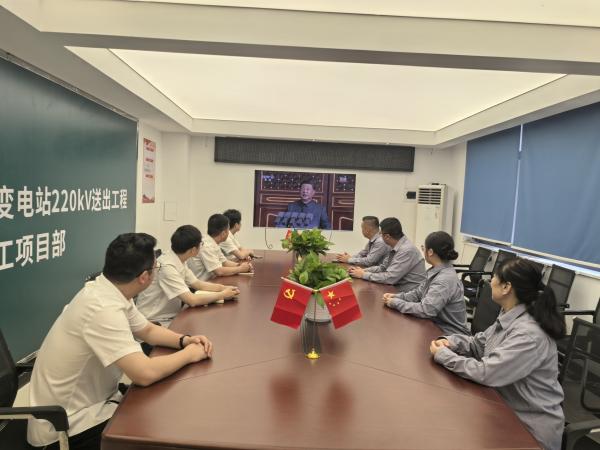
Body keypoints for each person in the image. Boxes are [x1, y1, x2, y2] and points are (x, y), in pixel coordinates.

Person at [27, 233, 213, 450]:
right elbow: (144, 373)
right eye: (156, 268)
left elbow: (147, 330)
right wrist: (190, 354)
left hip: (94, 403)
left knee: (162, 405)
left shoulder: (111, 289)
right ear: (144, 277)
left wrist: (185, 341)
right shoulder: (102, 308)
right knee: (161, 425)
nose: (156, 271)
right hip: (64, 428)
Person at [430, 258, 565, 450]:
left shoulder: (528, 334)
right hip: (502, 408)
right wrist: (451, 342)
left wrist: (443, 355)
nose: (490, 281)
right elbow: (479, 343)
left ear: (506, 287)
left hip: (530, 431)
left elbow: (487, 372)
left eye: (493, 277)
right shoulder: (510, 314)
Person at [136, 225, 240, 328]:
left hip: (170, 316)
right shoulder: (168, 266)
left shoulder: (178, 258)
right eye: (201, 244)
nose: (202, 246)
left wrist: (224, 288)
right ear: (193, 250)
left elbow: (197, 284)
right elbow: (191, 300)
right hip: (156, 321)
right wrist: (222, 294)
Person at [382, 231, 468, 335]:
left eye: (424, 248)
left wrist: (395, 303)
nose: (423, 251)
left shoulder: (444, 279)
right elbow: (418, 294)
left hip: (449, 335)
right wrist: (397, 297)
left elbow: (426, 310)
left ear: (430, 252)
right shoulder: (435, 270)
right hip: (434, 325)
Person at [348, 217, 425, 291]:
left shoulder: (406, 250)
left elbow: (390, 278)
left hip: (407, 293)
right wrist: (362, 271)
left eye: (381, 234)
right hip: (395, 288)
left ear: (387, 236)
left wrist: (363, 274)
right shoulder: (395, 246)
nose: (379, 236)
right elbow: (383, 267)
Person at [187, 214, 253, 280]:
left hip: (211, 280)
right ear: (223, 234)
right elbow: (219, 271)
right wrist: (240, 269)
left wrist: (241, 266)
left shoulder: (213, 242)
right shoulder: (206, 246)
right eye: (228, 230)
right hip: (202, 283)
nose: (229, 233)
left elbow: (224, 262)